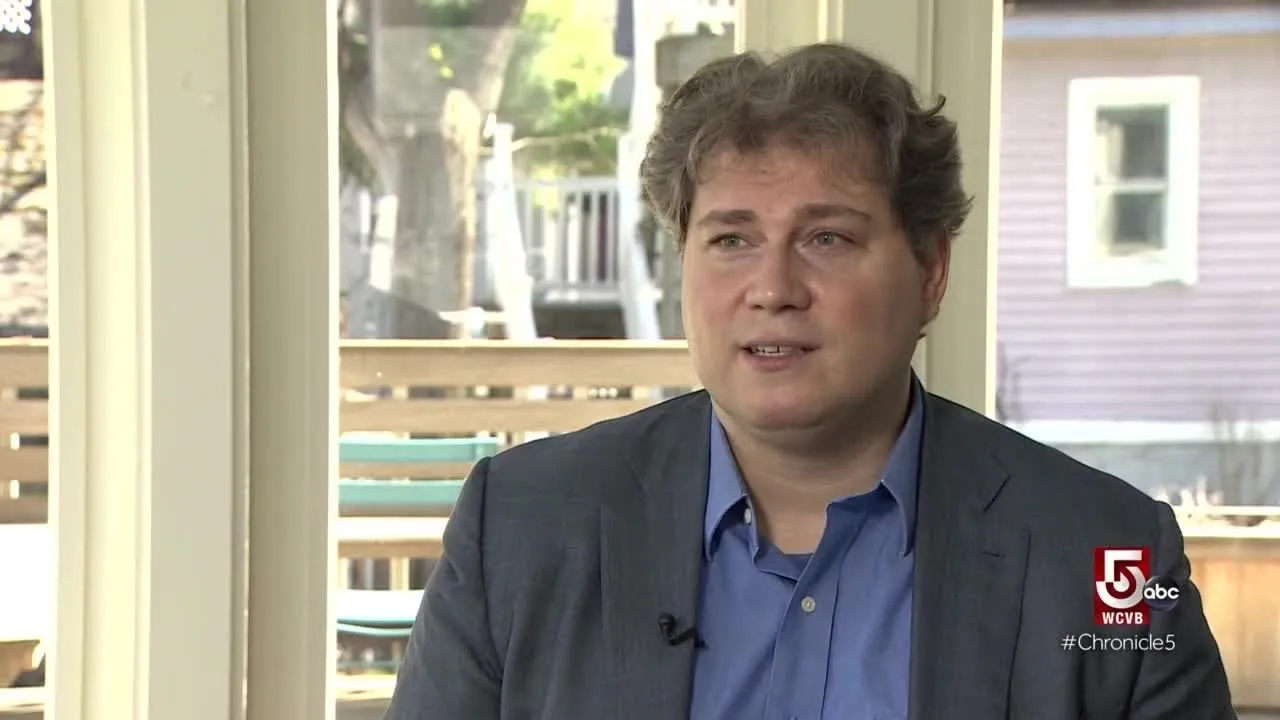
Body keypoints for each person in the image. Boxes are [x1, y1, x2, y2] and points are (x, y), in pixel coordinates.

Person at [384, 42, 1234, 719]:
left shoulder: (1111, 558)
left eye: (827, 238)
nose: (774, 288)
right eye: (731, 239)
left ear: (931, 271)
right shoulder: (518, 528)